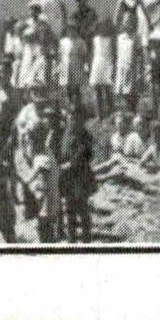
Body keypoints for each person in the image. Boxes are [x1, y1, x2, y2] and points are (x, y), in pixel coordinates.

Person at [58, 104, 96, 243]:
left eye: (76, 118)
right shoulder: (66, 134)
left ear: (82, 120)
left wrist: (69, 164)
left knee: (83, 210)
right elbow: (63, 153)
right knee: (69, 209)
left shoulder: (86, 136)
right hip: (68, 178)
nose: (73, 121)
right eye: (71, 118)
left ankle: (86, 240)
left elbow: (84, 156)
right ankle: (71, 239)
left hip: (81, 177)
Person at [89, 20, 116, 119]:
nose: (101, 29)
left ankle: (111, 114)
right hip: (97, 64)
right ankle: (99, 115)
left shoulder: (110, 39)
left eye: (103, 27)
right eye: (99, 27)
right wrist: (90, 65)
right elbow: (92, 53)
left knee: (108, 89)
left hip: (107, 63)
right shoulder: (95, 39)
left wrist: (113, 67)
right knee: (97, 90)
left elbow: (113, 54)